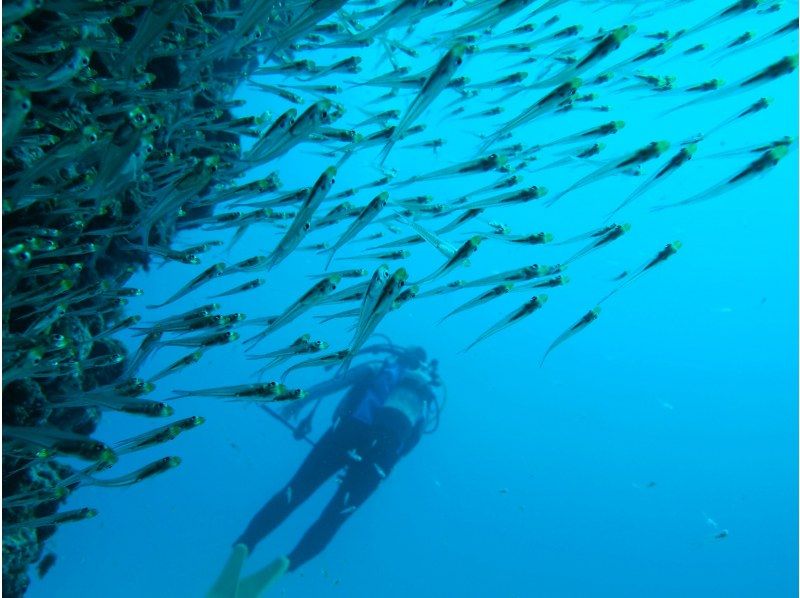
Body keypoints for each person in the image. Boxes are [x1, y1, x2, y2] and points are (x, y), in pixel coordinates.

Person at [208, 343, 443, 598]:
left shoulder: (382, 367)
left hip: (346, 434)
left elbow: (337, 383)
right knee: (333, 518)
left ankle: (244, 545)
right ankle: (288, 562)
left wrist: (297, 402)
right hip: (381, 458)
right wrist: (373, 467)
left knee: (294, 492)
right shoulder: (424, 400)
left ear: (401, 354)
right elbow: (409, 444)